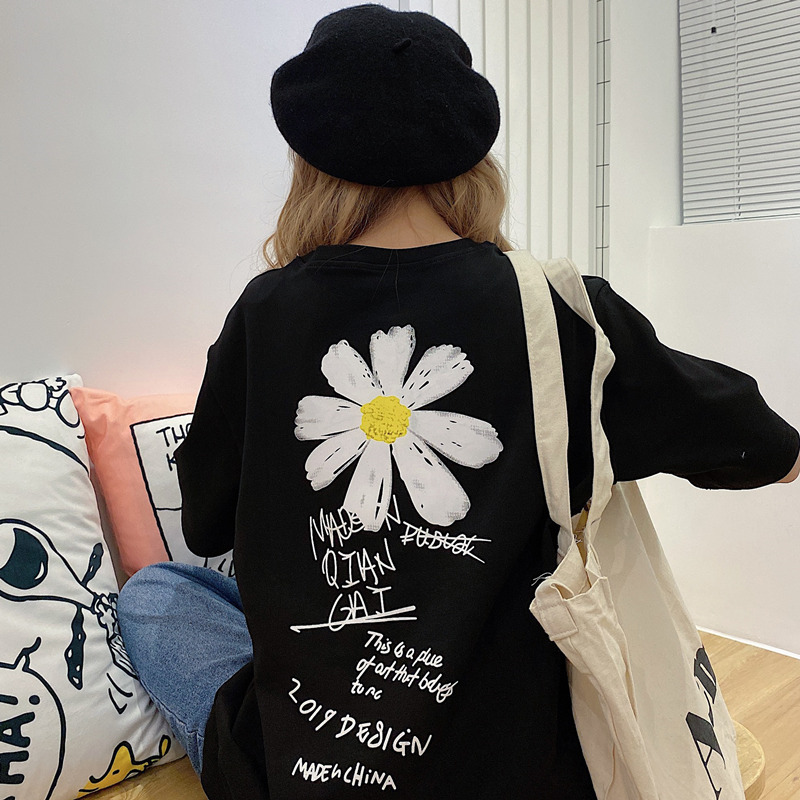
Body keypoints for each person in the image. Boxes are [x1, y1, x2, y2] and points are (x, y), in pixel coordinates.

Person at [117, 5, 800, 799]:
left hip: (304, 768)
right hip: (522, 773)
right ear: (470, 158)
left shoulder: (263, 315)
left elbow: (205, 521)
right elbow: (766, 448)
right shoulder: (561, 315)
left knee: (159, 595)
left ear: (308, 160)